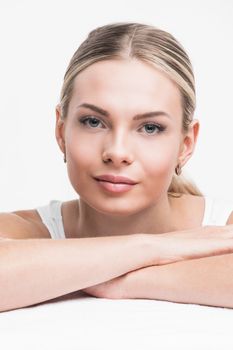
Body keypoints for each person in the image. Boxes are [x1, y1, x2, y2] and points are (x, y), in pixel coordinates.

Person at [1, 22, 233, 312]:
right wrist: (152, 248)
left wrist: (124, 280)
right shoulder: (28, 230)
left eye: (150, 127)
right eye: (93, 122)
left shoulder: (222, 229)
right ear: (61, 131)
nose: (117, 152)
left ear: (185, 145)